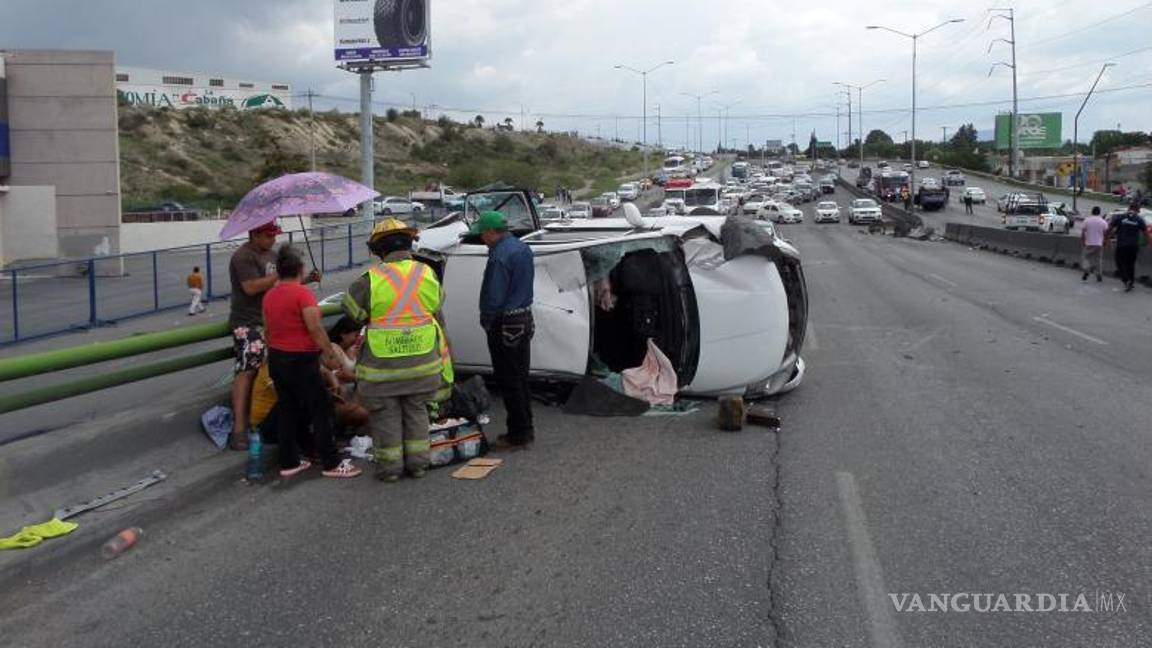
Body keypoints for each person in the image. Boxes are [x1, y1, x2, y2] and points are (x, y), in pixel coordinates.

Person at [342, 218, 450, 482]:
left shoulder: (369, 279)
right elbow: (436, 307)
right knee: (416, 411)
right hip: (423, 363)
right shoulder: (427, 273)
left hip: (383, 369)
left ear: (379, 250)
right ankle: (418, 465)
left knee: (386, 414)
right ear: (409, 243)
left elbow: (354, 314)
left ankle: (390, 469)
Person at [263, 245, 361, 478]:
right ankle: (331, 462)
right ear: (300, 268)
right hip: (301, 358)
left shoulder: (270, 295)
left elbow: (267, 330)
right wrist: (328, 354)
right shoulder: (302, 294)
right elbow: (315, 328)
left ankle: (289, 462)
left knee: (288, 408)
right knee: (322, 408)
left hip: (277, 357)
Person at [473, 211, 536, 449]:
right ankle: (526, 428)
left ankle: (517, 435)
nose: (481, 239)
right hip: (524, 317)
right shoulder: (522, 248)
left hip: (504, 322)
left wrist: (487, 320)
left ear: (491, 231)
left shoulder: (499, 256)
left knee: (509, 380)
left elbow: (494, 295)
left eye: (482, 234)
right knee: (521, 377)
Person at [226, 221, 281, 451]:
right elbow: (250, 287)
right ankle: (239, 428)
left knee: (269, 369)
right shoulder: (243, 257)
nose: (272, 240)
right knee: (247, 370)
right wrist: (280, 274)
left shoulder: (272, 255)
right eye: (268, 235)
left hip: (268, 320)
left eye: (274, 235)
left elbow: (279, 284)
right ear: (254, 234)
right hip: (247, 322)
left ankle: (262, 420)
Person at [1107, 203, 1149, 292]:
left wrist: (1106, 239)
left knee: (1120, 263)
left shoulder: (1120, 217)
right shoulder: (1139, 219)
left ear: (1129, 208)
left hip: (1122, 245)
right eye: (1139, 210)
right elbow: (1146, 234)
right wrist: (1149, 243)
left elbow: (1109, 228)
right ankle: (1131, 282)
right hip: (1133, 246)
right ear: (1136, 210)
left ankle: (1126, 280)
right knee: (1130, 264)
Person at [1080, 206, 1108, 282]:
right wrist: (1105, 242)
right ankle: (1099, 274)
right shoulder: (1103, 222)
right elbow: (1105, 233)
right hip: (1099, 244)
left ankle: (1087, 270)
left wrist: (1083, 241)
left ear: (1092, 211)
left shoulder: (1087, 220)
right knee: (1098, 260)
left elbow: (1083, 232)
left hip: (1089, 243)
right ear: (1099, 212)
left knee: (1086, 258)